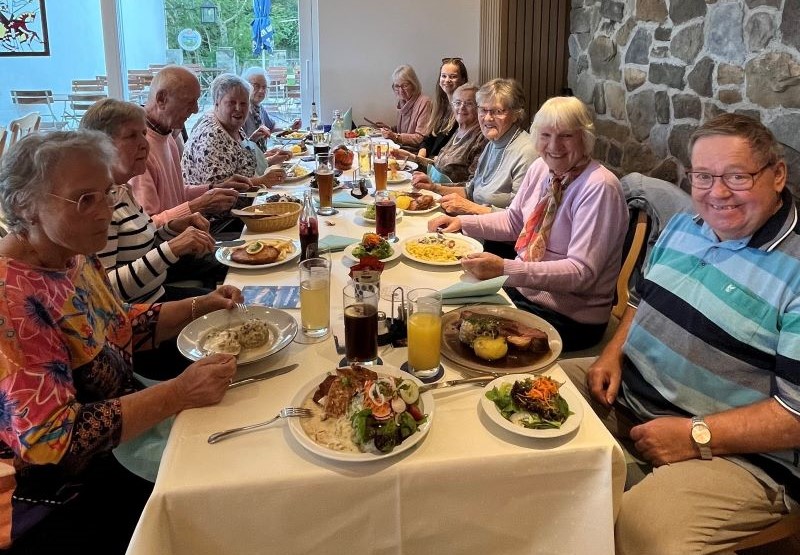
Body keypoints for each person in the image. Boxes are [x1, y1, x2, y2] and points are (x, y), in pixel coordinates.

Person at [560, 113, 800, 553]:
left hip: (742, 457)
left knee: (639, 533)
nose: (718, 193)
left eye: (737, 176)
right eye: (703, 176)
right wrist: (612, 352)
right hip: (631, 398)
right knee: (524, 399)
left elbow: (794, 416)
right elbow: (639, 301)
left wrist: (694, 435)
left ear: (777, 175)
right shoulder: (685, 225)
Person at [0, 130, 241, 553]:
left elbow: (117, 324)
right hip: (64, 490)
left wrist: (202, 305)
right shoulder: (11, 299)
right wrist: (179, 392)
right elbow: (50, 444)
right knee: (229, 491)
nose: (106, 212)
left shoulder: (72, 252)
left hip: (129, 431)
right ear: (25, 206)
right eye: (85, 199)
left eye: (108, 194)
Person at [428, 96, 628, 351]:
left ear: (585, 138)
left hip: (569, 317)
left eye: (566, 136)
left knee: (458, 338)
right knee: (441, 307)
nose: (554, 146)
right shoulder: (541, 169)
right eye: (545, 135)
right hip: (524, 294)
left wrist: (504, 269)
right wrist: (461, 222)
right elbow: (514, 221)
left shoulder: (599, 187)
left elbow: (581, 274)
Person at [81, 98, 220, 304]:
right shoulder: (100, 206)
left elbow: (140, 243)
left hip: (157, 293)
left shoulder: (122, 190)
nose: (145, 144)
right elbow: (106, 291)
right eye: (131, 136)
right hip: (140, 315)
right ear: (100, 146)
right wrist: (171, 248)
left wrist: (171, 229)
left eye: (144, 134)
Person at [129, 65, 249, 228]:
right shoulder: (138, 148)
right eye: (189, 102)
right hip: (171, 247)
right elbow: (146, 227)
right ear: (161, 99)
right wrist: (198, 205)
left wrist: (213, 188)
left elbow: (176, 194)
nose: (195, 109)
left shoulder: (166, 134)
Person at [413, 78, 537, 216]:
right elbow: (470, 190)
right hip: (475, 225)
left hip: (494, 236)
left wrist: (470, 208)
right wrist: (434, 187)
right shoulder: (493, 144)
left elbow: (520, 218)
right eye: (483, 110)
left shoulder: (527, 153)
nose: (488, 118)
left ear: (516, 114)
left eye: (497, 111)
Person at [182, 73, 289, 189]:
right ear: (217, 103)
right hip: (230, 205)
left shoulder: (231, 125)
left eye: (243, 103)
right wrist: (262, 181)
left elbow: (241, 164)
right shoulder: (211, 136)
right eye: (232, 103)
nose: (238, 108)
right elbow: (221, 191)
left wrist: (269, 160)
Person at [394, 82, 487, 184]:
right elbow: (438, 168)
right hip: (435, 191)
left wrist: (435, 186)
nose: (462, 107)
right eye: (457, 103)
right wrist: (409, 157)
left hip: (450, 197)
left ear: (479, 108)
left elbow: (472, 186)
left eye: (469, 103)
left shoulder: (481, 138)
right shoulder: (459, 132)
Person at [417, 57, 469, 159]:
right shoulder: (441, 105)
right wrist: (421, 155)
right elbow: (429, 138)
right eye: (443, 76)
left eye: (453, 76)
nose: (447, 80)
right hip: (429, 163)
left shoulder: (465, 111)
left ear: (463, 80)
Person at [241, 66, 301, 148]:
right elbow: (239, 149)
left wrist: (290, 127)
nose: (261, 90)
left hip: (262, 157)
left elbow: (272, 127)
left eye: (264, 87)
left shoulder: (259, 108)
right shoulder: (241, 112)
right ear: (245, 86)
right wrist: (254, 138)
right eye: (256, 86)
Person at [374, 65, 432, 150]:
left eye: (404, 86)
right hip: (401, 148)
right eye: (397, 86)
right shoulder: (402, 101)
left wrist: (395, 137)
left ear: (413, 85)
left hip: (413, 152)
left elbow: (420, 138)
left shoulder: (425, 102)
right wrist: (389, 129)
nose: (400, 91)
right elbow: (403, 130)